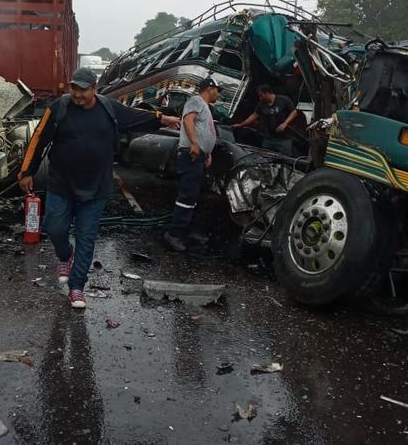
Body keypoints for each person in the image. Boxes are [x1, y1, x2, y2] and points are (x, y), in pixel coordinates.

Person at [18, 68, 180, 309]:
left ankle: (76, 287)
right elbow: (38, 139)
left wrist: (162, 118)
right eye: (74, 88)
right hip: (61, 184)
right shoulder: (59, 107)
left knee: (87, 236)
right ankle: (65, 256)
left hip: (95, 187)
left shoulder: (108, 108)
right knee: (53, 227)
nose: (78, 94)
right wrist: (26, 171)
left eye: (83, 89)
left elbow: (136, 116)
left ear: (94, 89)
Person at [162, 76, 221, 252]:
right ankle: (174, 234)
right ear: (210, 88)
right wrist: (195, 144)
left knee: (194, 196)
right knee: (187, 196)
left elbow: (204, 130)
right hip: (190, 156)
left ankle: (188, 231)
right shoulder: (195, 101)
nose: (218, 94)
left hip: (199, 157)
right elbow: (188, 121)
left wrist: (207, 153)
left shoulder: (205, 107)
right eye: (218, 90)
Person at [232, 84, 300, 156]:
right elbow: (254, 116)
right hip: (268, 138)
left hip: (284, 139)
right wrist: (241, 124)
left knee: (286, 158)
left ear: (267, 93)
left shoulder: (283, 100)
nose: (260, 98)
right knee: (265, 158)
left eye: (261, 95)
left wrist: (284, 124)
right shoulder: (261, 104)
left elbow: (294, 112)